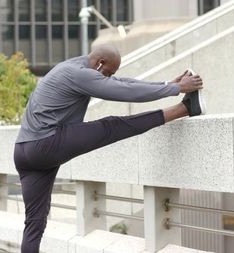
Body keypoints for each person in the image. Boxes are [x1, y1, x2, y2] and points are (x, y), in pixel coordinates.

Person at [13, 44, 205, 253]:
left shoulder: (72, 67)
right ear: (100, 63)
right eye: (108, 72)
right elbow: (123, 91)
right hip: (46, 143)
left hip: (23, 150)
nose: (109, 76)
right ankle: (185, 108)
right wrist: (176, 89)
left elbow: (120, 82)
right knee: (112, 126)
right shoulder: (78, 74)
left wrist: (167, 83)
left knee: (34, 223)